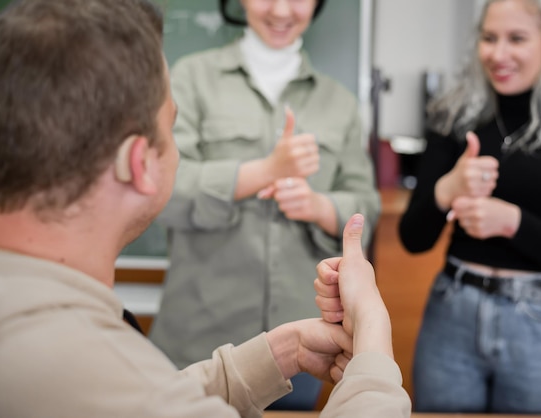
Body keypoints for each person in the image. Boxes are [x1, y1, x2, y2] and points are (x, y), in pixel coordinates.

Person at [0, 0, 411, 417]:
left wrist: (279, 353)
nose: (282, 7)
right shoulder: (193, 77)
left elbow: (156, 396)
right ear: (141, 163)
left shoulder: (48, 341)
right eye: (171, 132)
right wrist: (373, 332)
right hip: (200, 324)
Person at [148, 0, 380, 408]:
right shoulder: (190, 79)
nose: (281, 9)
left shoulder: (339, 102)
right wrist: (266, 170)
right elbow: (159, 191)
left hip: (302, 345)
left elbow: (367, 205)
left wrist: (316, 205)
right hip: (199, 336)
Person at [398, 0, 541, 413]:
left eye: (517, 39)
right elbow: (412, 239)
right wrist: (447, 189)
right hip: (452, 314)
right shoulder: (455, 117)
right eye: (489, 38)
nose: (498, 55)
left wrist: (511, 221)